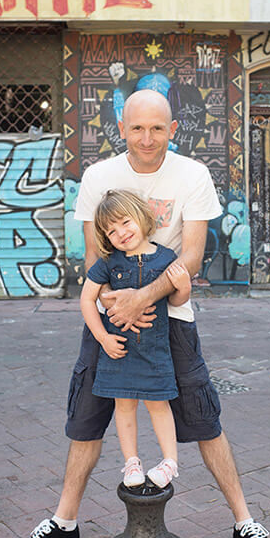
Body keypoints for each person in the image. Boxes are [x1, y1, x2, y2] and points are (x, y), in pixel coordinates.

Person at [9, 89, 270, 538]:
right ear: (123, 130)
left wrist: (143, 297)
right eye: (138, 128)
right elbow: (96, 258)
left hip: (171, 321)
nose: (147, 137)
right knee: (87, 419)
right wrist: (120, 306)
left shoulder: (192, 174)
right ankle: (65, 522)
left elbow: (191, 258)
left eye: (158, 127)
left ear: (173, 129)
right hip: (111, 318)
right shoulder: (99, 177)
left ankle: (244, 522)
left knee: (204, 419)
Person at [81, 189, 191, 489]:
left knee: (159, 405)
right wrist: (103, 338)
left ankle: (170, 462)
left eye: (125, 222)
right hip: (118, 351)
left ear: (142, 217)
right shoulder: (109, 263)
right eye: (111, 231)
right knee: (124, 405)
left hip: (155, 351)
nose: (121, 233)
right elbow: (87, 300)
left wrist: (183, 288)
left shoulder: (167, 258)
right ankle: (131, 462)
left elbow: (177, 301)